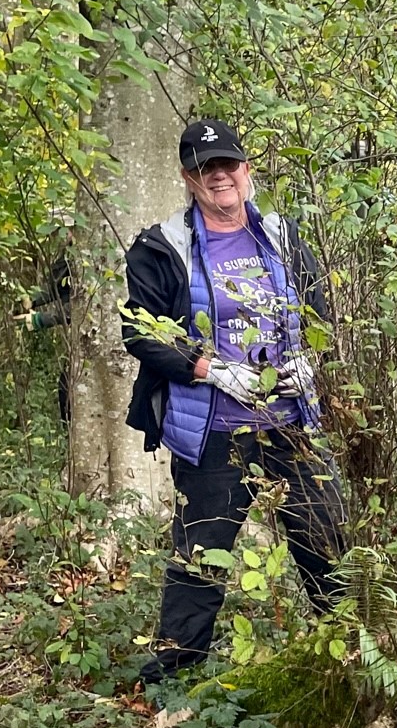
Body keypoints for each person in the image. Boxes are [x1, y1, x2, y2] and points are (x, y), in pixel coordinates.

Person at [122, 118, 347, 684]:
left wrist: (307, 359)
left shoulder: (282, 235)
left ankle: (349, 652)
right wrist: (212, 370)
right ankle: (174, 679)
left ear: (246, 170)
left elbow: (319, 310)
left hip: (291, 419)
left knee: (327, 537)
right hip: (213, 428)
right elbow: (140, 332)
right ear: (188, 178)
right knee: (202, 552)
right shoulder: (161, 246)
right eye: (205, 168)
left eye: (228, 164)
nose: (219, 176)